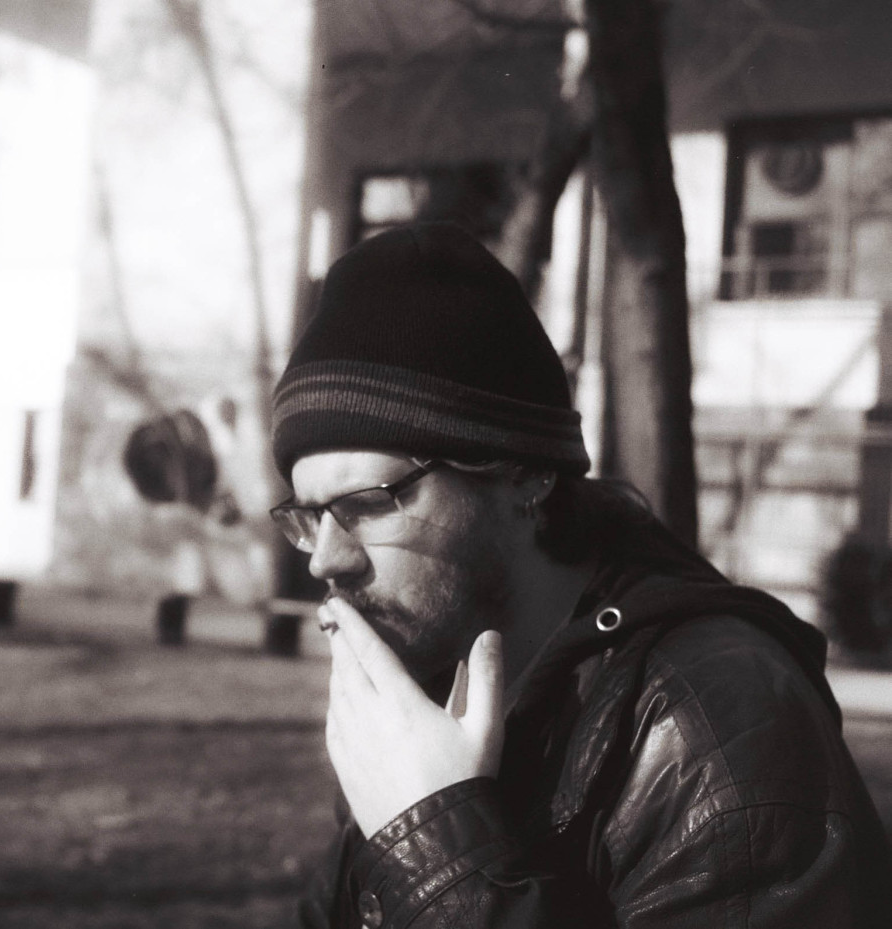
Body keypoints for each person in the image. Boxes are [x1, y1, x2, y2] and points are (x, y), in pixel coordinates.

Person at [268, 222, 892, 928]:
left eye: (367, 502)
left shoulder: (716, 732)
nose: (323, 558)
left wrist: (440, 852)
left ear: (525, 475)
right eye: (308, 515)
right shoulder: (427, 695)